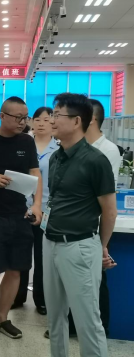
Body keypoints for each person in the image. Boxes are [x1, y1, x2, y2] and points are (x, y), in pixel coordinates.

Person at [43, 93, 117, 357]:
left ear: (76, 121)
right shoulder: (56, 157)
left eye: (57, 115)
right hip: (50, 242)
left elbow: (109, 211)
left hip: (79, 246)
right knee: (55, 319)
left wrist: (101, 246)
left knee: (88, 322)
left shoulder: (96, 161)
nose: (51, 120)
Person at [0, 96, 43, 339]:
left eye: (25, 118)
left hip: (19, 212)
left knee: (16, 268)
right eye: (17, 117)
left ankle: (2, 319)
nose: (23, 122)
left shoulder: (27, 140)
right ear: (2, 116)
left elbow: (35, 173)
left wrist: (36, 204)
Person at [62, 98, 121, 338]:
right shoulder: (75, 148)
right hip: (76, 225)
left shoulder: (107, 150)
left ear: (90, 119)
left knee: (96, 278)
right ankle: (73, 324)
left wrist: (103, 242)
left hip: (94, 226)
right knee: (75, 279)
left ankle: (100, 328)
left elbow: (106, 199)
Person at [13, 107, 58, 315]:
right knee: (20, 252)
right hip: (21, 206)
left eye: (46, 120)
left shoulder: (58, 148)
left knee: (42, 255)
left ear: (53, 122)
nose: (41, 123)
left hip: (47, 208)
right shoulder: (23, 143)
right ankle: (17, 295)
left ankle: (41, 299)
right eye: (37, 119)